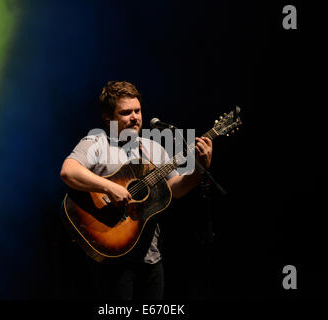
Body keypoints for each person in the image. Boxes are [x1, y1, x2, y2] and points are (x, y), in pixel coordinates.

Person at [60, 80, 213, 300]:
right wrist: (109, 187)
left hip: (150, 257)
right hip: (112, 256)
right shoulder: (96, 142)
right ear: (108, 118)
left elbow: (176, 190)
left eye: (138, 111)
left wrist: (199, 169)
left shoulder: (152, 148)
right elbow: (68, 172)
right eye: (126, 112)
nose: (135, 117)